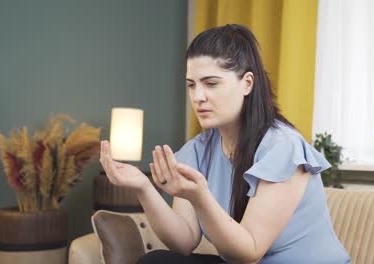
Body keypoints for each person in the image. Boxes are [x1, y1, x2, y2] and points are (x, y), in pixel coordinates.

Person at [99, 24, 351, 264]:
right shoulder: (198, 150)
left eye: (211, 83)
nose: (198, 97)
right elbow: (183, 241)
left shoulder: (283, 147)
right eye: (191, 85)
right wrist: (143, 187)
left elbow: (249, 253)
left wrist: (200, 198)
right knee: (156, 261)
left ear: (247, 83)